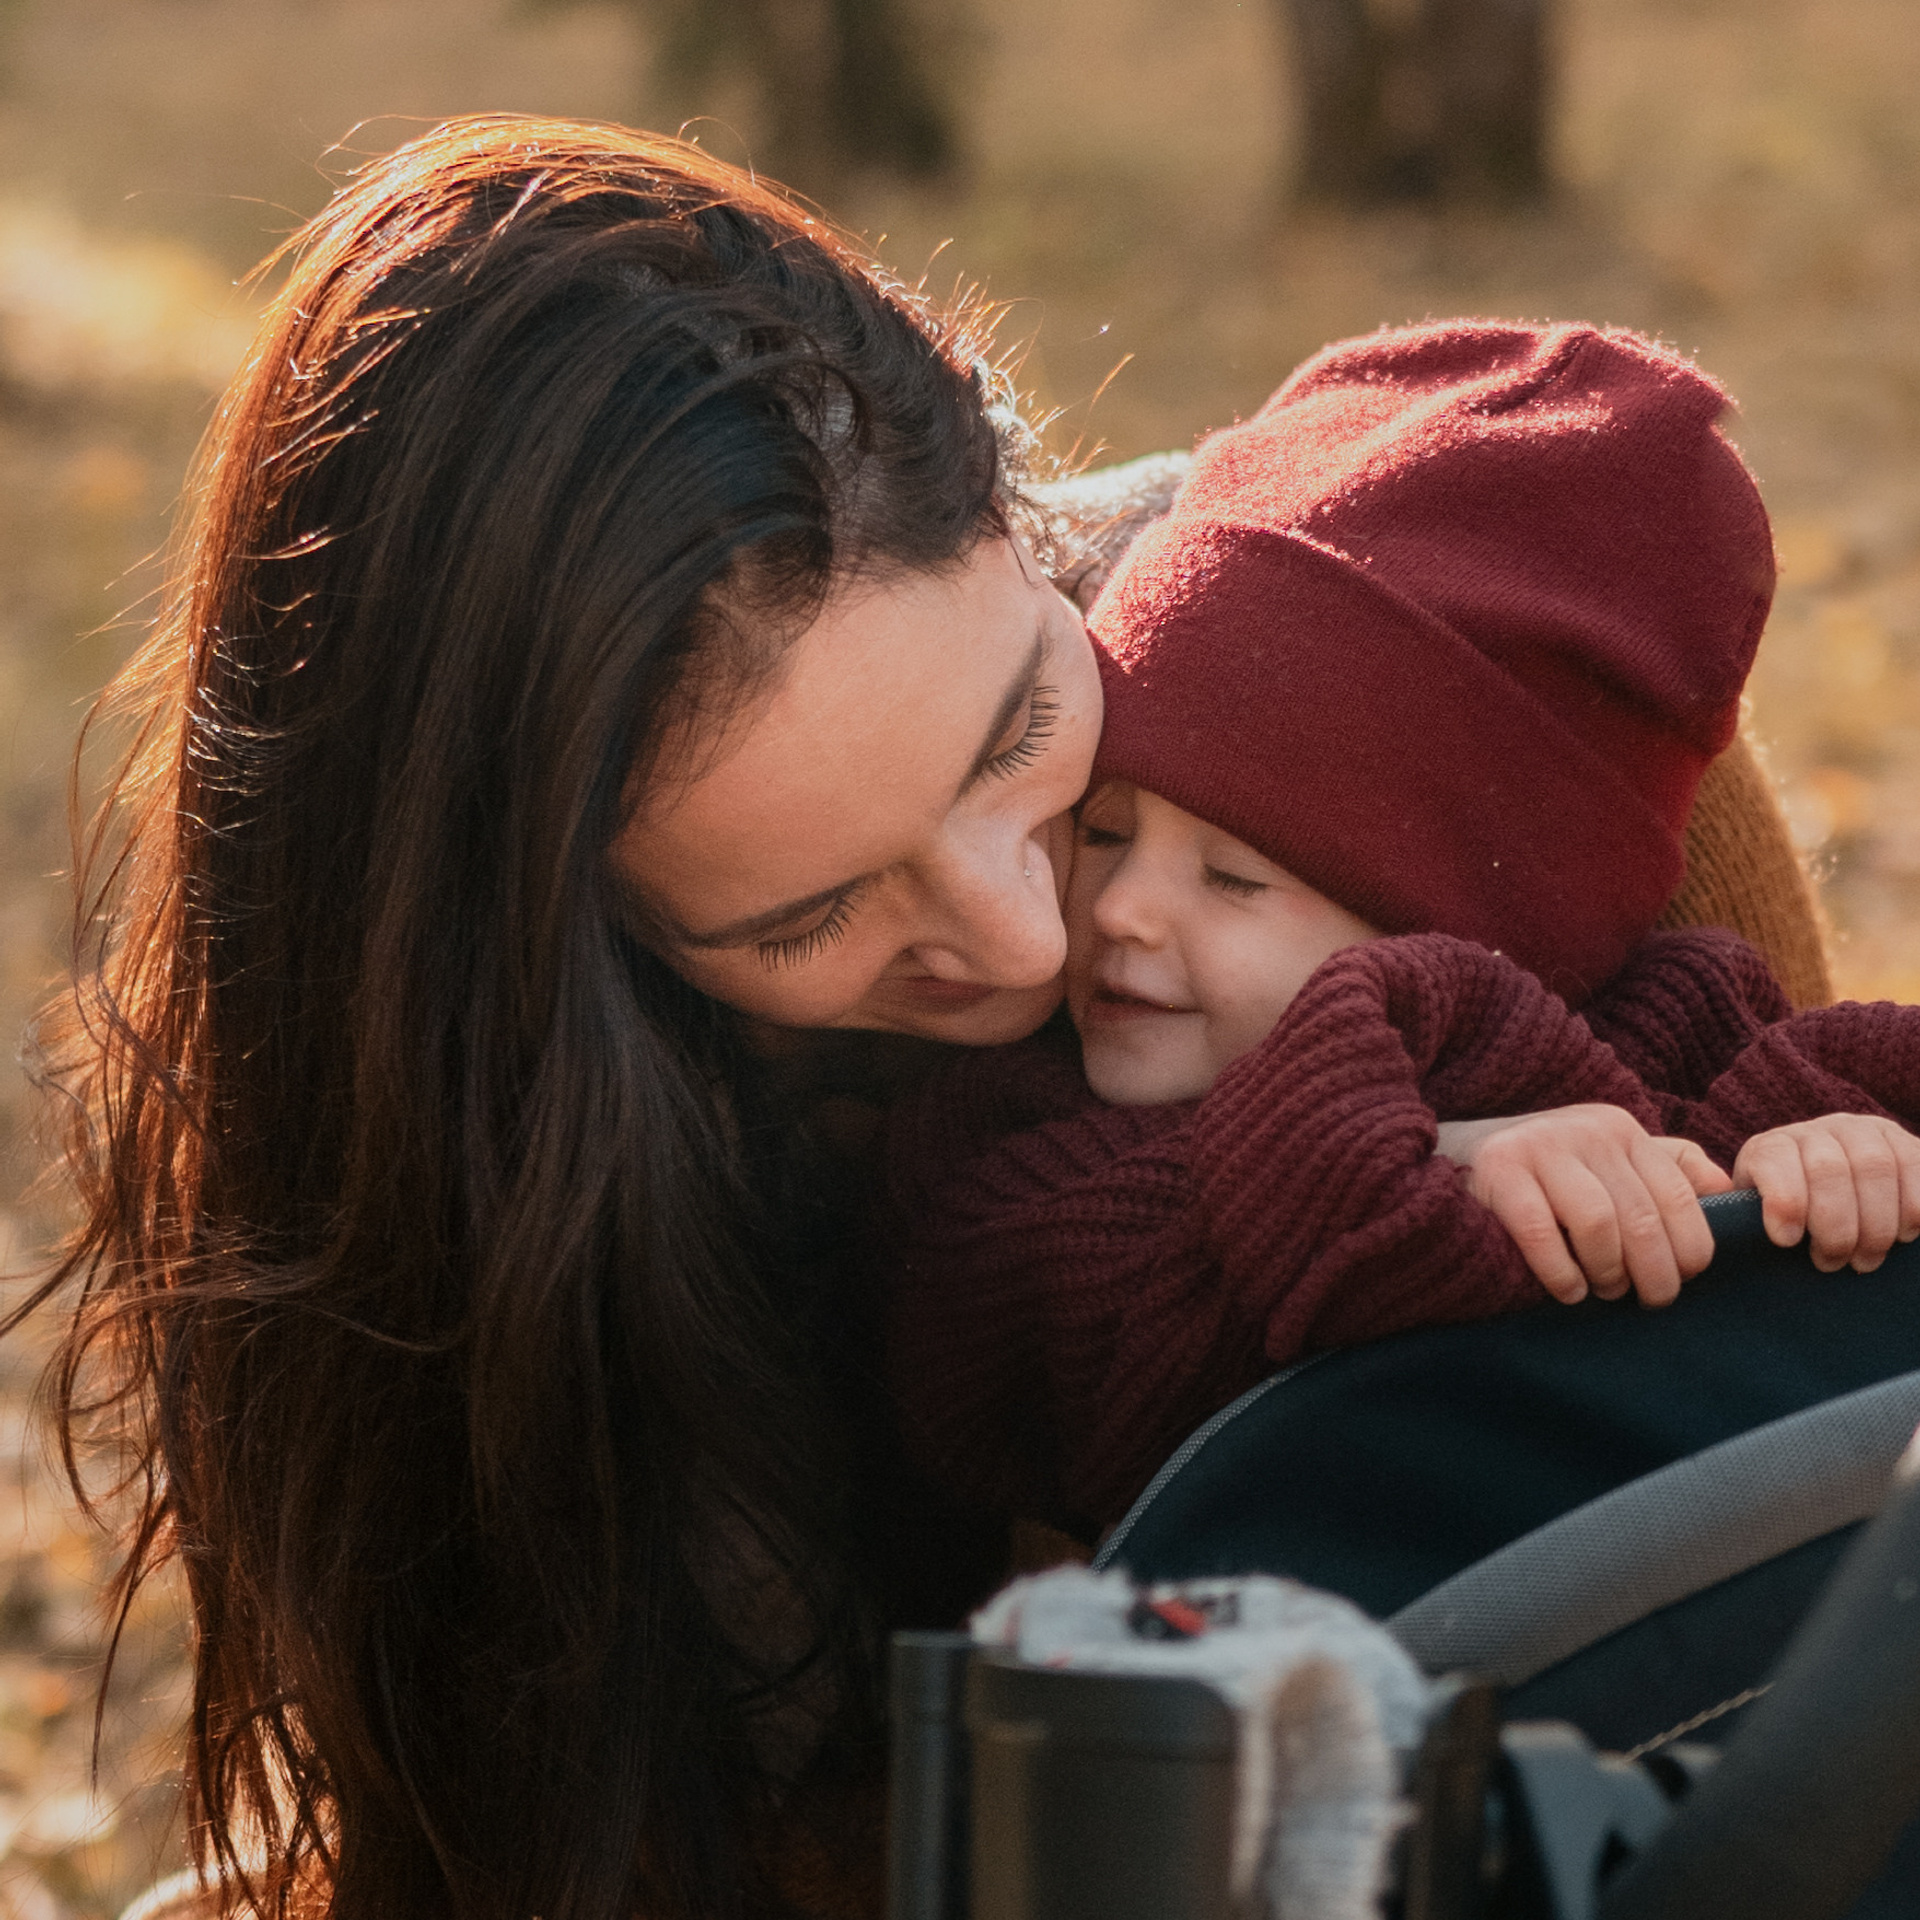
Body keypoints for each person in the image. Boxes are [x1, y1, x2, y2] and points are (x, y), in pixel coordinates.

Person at [26, 116, 1113, 1920]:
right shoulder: (529, 1245)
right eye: (816, 915)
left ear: (1016, 513)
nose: (1017, 934)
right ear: (552, 960)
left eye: (1021, 736)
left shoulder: (1448, 692)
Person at [884, 322, 1920, 1536]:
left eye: (1233, 879)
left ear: (1489, 938)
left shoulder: (1677, 1030)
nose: (1119, 910)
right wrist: (1425, 1173)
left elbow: (1755, 1301)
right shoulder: (1033, 1144)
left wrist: (1819, 1181)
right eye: (1102, 834)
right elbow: (1056, 1341)